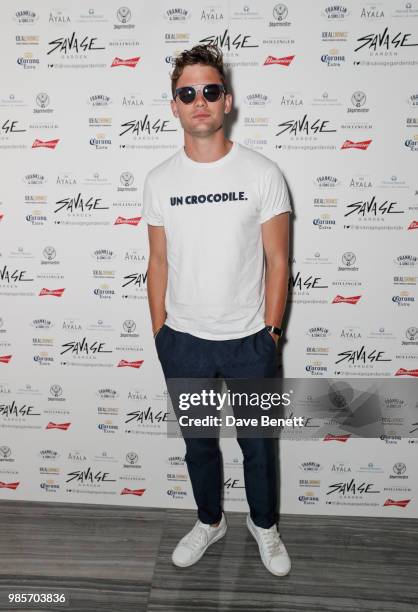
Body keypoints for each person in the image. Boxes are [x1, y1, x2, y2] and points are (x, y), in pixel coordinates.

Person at [142, 44, 292, 577]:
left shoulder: (262, 172)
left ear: (226, 101)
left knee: (258, 448)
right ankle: (210, 521)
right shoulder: (160, 180)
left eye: (209, 91)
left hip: (251, 341)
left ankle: (264, 526)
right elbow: (158, 261)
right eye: (188, 93)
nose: (198, 101)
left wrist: (271, 332)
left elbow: (278, 260)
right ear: (174, 106)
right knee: (199, 446)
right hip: (184, 341)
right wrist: (161, 330)